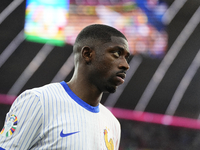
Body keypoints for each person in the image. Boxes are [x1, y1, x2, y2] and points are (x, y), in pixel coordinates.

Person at [0, 24, 130, 150]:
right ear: (87, 54)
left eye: (126, 57)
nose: (125, 65)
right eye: (117, 53)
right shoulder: (39, 101)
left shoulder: (113, 124)